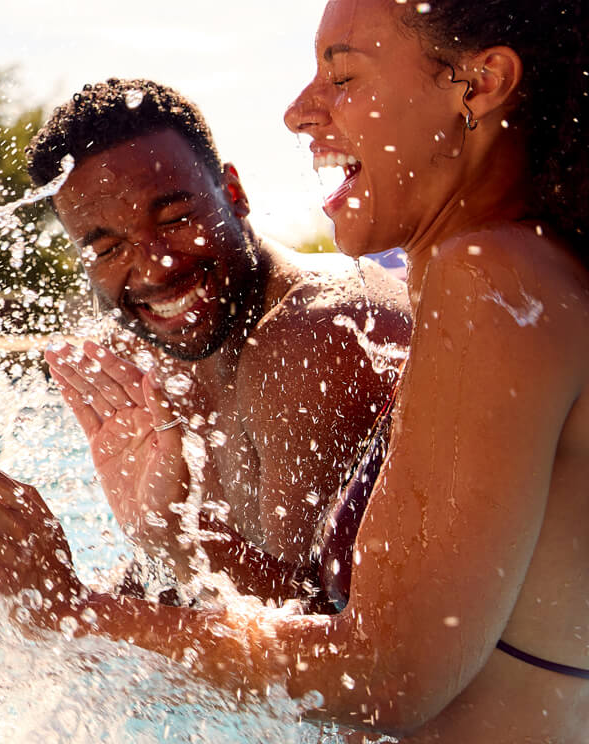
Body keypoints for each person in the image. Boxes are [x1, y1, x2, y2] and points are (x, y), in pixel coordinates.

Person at [0, 0, 589, 744]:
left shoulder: (493, 280)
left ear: (476, 85)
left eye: (343, 76)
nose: (299, 113)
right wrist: (162, 536)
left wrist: (71, 611)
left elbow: (387, 675)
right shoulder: (501, 276)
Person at [27, 79, 409, 599]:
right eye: (110, 249)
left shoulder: (324, 334)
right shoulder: (157, 352)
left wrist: (167, 540)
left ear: (233, 192)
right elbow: (192, 589)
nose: (154, 269)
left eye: (176, 219)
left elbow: (330, 633)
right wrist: (28, 597)